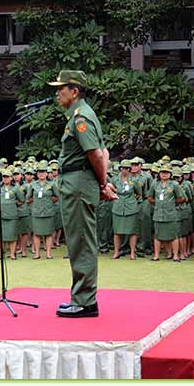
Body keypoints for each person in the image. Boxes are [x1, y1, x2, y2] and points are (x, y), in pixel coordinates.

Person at [48, 70, 117, 318]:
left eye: (61, 88)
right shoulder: (81, 116)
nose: (58, 92)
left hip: (78, 183)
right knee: (79, 240)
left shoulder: (81, 118)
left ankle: (85, 301)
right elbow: (104, 153)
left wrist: (102, 184)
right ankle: (82, 297)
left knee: (81, 242)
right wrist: (103, 183)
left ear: (74, 91)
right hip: (77, 182)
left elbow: (97, 155)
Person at [148, 165, 185, 262]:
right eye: (162, 172)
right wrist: (158, 204)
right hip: (158, 213)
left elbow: (181, 198)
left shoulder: (174, 184)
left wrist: (170, 204)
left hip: (171, 214)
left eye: (166, 172)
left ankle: (175, 255)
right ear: (159, 174)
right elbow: (150, 197)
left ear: (170, 174)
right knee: (157, 235)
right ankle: (156, 255)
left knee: (173, 235)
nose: (164, 174)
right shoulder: (155, 184)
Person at [111, 160, 142, 260]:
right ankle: (116, 252)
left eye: (127, 168)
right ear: (120, 169)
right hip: (118, 207)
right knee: (117, 231)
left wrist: (131, 200)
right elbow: (110, 190)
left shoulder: (134, 180)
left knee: (132, 231)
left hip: (131, 208)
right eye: (123, 168)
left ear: (130, 169)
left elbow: (139, 193)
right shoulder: (115, 179)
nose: (125, 170)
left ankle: (132, 252)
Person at [27, 162, 59, 260]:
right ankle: (37, 253)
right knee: (36, 233)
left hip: (48, 212)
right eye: (39, 172)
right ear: (37, 174)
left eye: (43, 172)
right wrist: (36, 203)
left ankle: (48, 253)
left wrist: (49, 203)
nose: (41, 174)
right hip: (37, 212)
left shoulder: (52, 184)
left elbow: (57, 196)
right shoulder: (33, 185)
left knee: (48, 233)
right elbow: (28, 198)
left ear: (46, 173)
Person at [0, 168, 24, 260]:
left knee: (12, 234)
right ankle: (0, 254)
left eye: (7, 177)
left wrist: (13, 204)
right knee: (1, 235)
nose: (5, 179)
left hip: (12, 214)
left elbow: (22, 200)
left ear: (11, 178)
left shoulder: (16, 188)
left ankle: (12, 254)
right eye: (4, 177)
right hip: (1, 214)